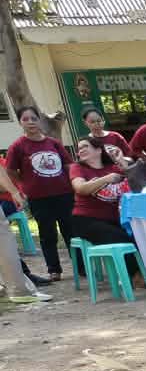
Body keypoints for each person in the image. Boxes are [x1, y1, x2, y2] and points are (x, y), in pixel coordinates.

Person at [3, 108, 74, 280]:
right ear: (20, 122)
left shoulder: (53, 143)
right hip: (38, 198)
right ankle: (54, 269)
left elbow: (68, 164)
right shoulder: (17, 146)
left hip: (64, 193)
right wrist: (24, 184)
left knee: (70, 231)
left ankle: (81, 267)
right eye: (25, 119)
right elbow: (10, 171)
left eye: (34, 118)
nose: (30, 122)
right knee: (47, 234)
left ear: (39, 120)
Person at [65, 137, 133, 247]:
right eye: (79, 148)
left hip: (115, 219)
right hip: (86, 220)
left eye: (85, 146)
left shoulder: (113, 168)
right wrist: (106, 179)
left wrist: (121, 161)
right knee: (124, 241)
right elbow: (80, 188)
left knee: (138, 237)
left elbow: (135, 182)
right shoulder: (77, 167)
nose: (81, 150)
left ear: (99, 150)